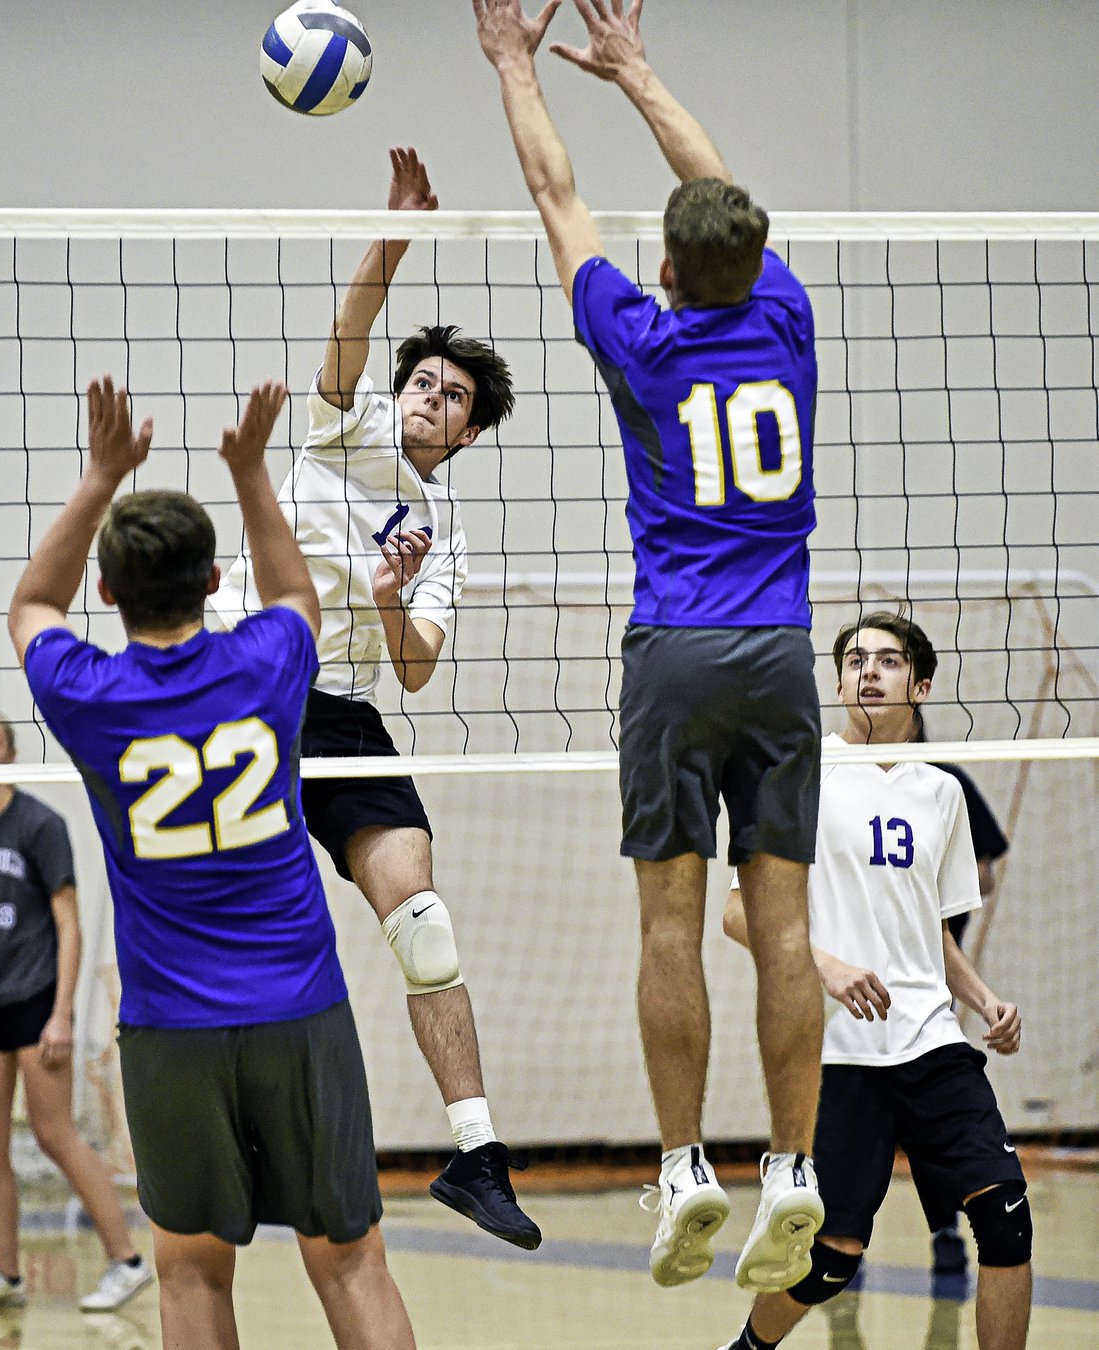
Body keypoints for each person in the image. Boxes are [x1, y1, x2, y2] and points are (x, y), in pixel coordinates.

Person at [474, 0, 823, 1289]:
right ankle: (794, 1166)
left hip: (676, 650)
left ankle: (684, 1170)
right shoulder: (784, 314)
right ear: (753, 256)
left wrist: (517, 65)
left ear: (663, 272)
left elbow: (554, 190)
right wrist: (637, 68)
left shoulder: (642, 338)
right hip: (784, 654)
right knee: (782, 927)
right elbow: (722, 192)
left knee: (671, 925)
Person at [8, 376, 416, 1349]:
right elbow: (292, 592)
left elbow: (30, 602)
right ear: (208, 586)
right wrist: (249, 471)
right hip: (299, 1009)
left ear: (108, 594)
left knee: (190, 1272)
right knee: (352, 1259)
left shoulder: (90, 695)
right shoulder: (269, 661)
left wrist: (104, 474)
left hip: (172, 1025)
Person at [209, 147, 539, 1251]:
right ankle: (237, 1135)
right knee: (242, 930)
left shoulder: (447, 533)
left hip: (345, 716)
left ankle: (476, 1153)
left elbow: (415, 668)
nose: (429, 400)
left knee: (424, 923)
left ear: (469, 433)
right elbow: (353, 331)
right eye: (423, 381)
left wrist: (397, 600)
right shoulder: (336, 431)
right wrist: (394, 230)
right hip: (247, 698)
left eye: (451, 397)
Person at [716, 612, 1032, 1350]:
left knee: (1006, 1220)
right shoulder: (801, 773)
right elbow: (736, 912)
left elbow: (929, 931)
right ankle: (746, 1349)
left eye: (887, 662)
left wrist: (983, 999)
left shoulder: (940, 793)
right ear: (836, 681)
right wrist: (820, 964)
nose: (868, 671)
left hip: (931, 1041)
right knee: (831, 1261)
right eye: (854, 660)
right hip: (838, 1054)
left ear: (919, 686)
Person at [0, 710, 152, 1313]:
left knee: (55, 1134)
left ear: (12, 752)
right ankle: (5, 1273)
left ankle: (126, 1261)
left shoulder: (40, 825)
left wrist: (62, 1015)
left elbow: (69, 927)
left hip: (35, 1002)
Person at [907, 660, 1012, 1277]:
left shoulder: (946, 782)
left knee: (935, 1124)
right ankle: (837, 1234)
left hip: (931, 989)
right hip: (854, 993)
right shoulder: (836, 777)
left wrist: (936, 888)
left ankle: (946, 1230)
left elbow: (986, 867)